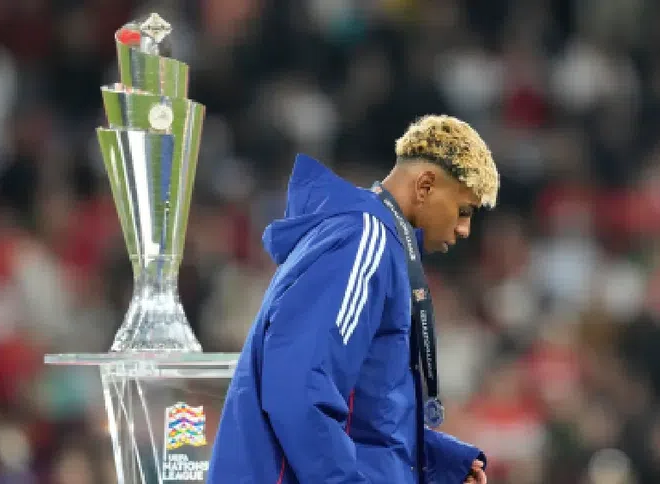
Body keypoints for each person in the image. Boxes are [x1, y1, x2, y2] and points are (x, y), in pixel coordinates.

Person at [208, 114, 499, 484]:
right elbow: (299, 389)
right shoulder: (363, 240)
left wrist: (442, 464)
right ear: (425, 185)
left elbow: (364, 411)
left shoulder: (375, 244)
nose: (464, 229)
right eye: (464, 210)